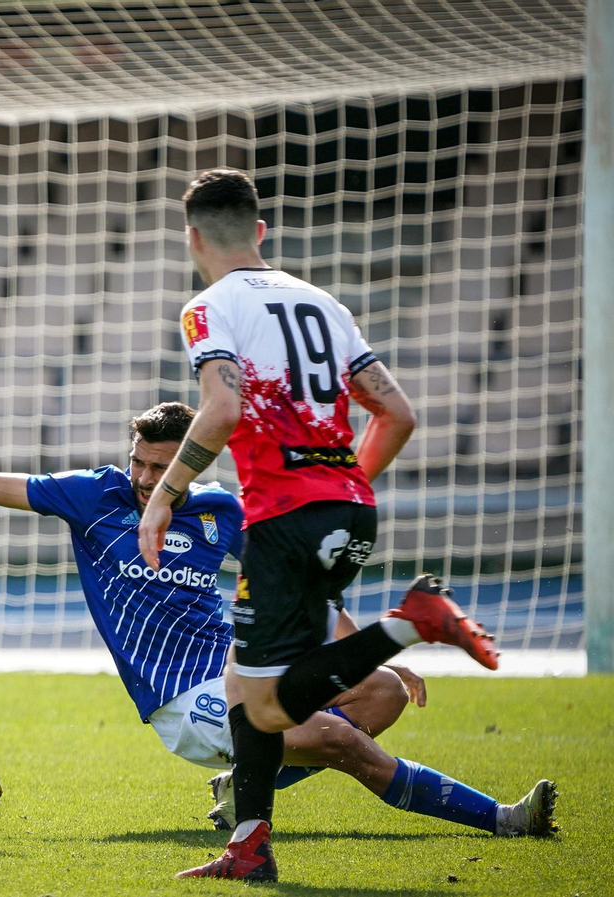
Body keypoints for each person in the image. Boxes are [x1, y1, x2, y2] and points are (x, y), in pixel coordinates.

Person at [0, 401, 557, 839]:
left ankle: (246, 785)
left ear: (194, 464)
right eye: (137, 461)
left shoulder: (222, 511)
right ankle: (503, 819)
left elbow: (300, 591)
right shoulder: (93, 495)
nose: (144, 478)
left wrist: (368, 655)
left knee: (384, 692)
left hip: (238, 667)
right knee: (336, 738)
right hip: (181, 697)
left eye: (160, 467)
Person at [137, 169, 502, 880]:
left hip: (285, 518)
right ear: (260, 231)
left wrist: (164, 495)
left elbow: (222, 410)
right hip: (350, 508)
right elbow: (398, 414)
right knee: (246, 687)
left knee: (265, 706)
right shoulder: (324, 304)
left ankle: (409, 624)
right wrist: (343, 487)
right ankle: (249, 847)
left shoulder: (208, 309)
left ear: (193, 238)